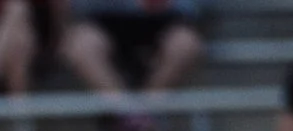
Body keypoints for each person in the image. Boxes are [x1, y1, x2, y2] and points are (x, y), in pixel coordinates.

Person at [60, 0, 202, 116]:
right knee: (81, 46)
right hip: (102, 21)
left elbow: (193, 7)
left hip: (166, 20)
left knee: (185, 44)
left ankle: (147, 111)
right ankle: (125, 113)